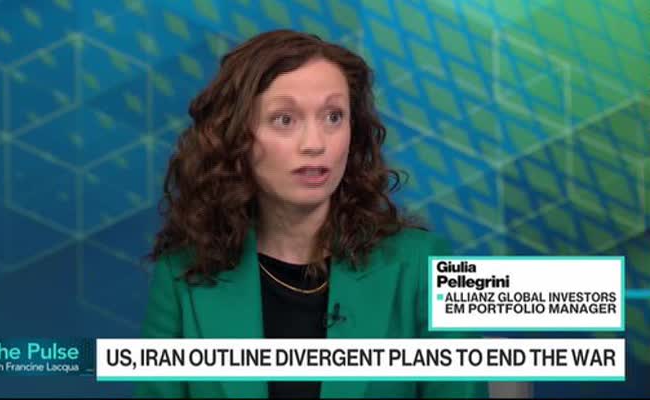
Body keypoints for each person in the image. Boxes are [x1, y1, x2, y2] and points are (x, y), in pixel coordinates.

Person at [135, 29, 487, 399]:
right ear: (236, 136)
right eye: (285, 119)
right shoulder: (182, 275)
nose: (315, 144)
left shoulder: (425, 266)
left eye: (333, 117)